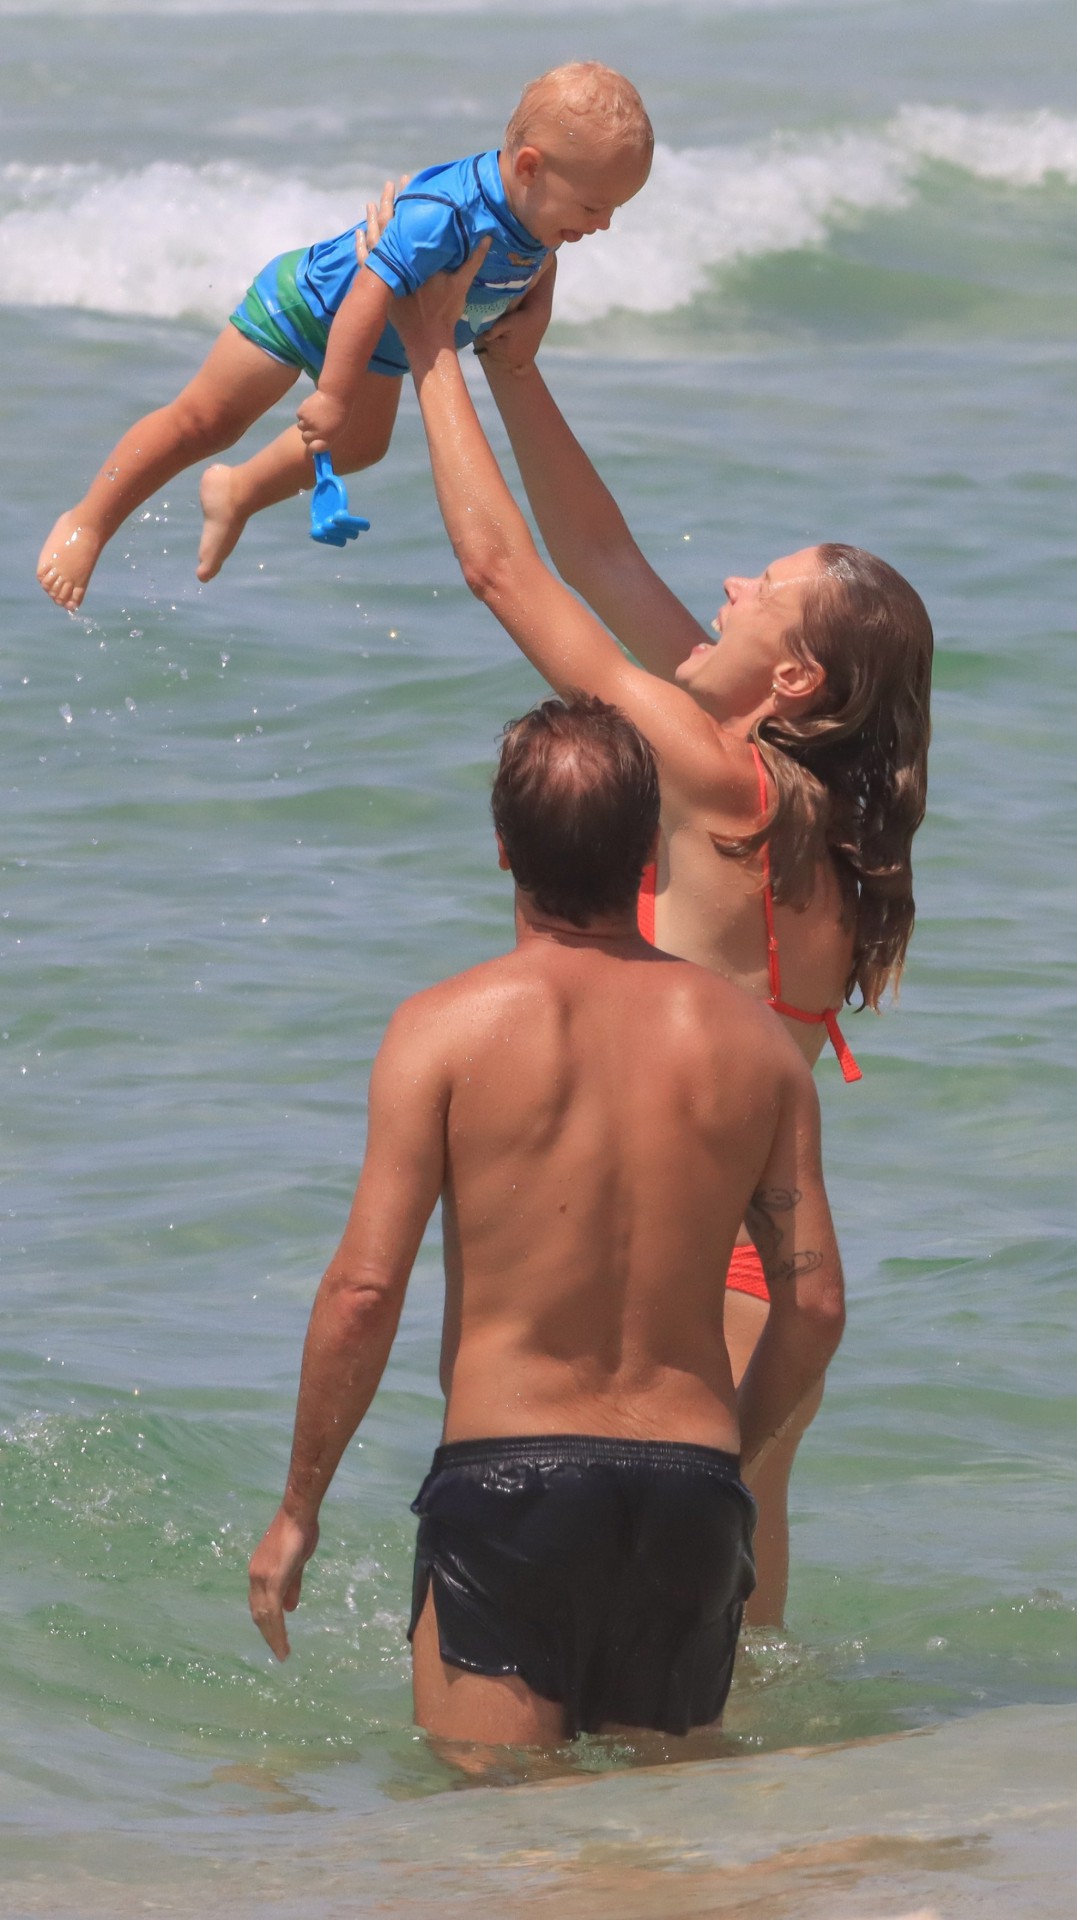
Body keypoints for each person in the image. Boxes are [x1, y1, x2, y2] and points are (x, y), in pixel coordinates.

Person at [377, 236, 933, 1627]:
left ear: (792, 677)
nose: (730, 589)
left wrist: (428, 351)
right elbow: (601, 556)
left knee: (626, 1632)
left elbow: (510, 576)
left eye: (760, 590)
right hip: (764, 1266)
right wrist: (515, 370)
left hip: (687, 1265)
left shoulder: (722, 788)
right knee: (728, 1650)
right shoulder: (811, 818)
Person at [249, 695, 845, 1748]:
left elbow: (364, 1291)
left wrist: (299, 1509)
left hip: (509, 1483)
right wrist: (729, 1465)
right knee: (672, 1830)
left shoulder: (442, 1030)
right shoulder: (755, 1047)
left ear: (501, 847)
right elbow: (816, 1305)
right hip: (691, 1491)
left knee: (498, 1825)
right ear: (648, 853)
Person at [36, 62, 652, 612]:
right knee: (206, 422)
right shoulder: (444, 215)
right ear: (529, 167)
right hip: (306, 306)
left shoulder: (541, 213)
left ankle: (237, 490)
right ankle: (89, 521)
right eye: (594, 207)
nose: (603, 224)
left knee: (362, 444)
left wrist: (536, 314)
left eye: (615, 210)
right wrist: (333, 393)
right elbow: (368, 289)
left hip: (382, 348)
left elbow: (540, 257)